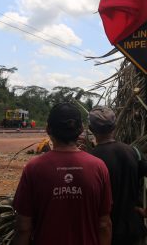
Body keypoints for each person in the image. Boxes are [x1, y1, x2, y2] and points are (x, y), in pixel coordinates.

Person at [12, 102, 113, 245]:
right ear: (81, 129)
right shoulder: (98, 167)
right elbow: (104, 225)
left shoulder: (33, 168)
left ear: (48, 129)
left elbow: (23, 228)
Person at [89, 106, 147, 245]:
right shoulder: (132, 152)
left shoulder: (91, 159)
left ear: (91, 128)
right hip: (133, 230)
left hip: (104, 234)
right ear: (115, 126)